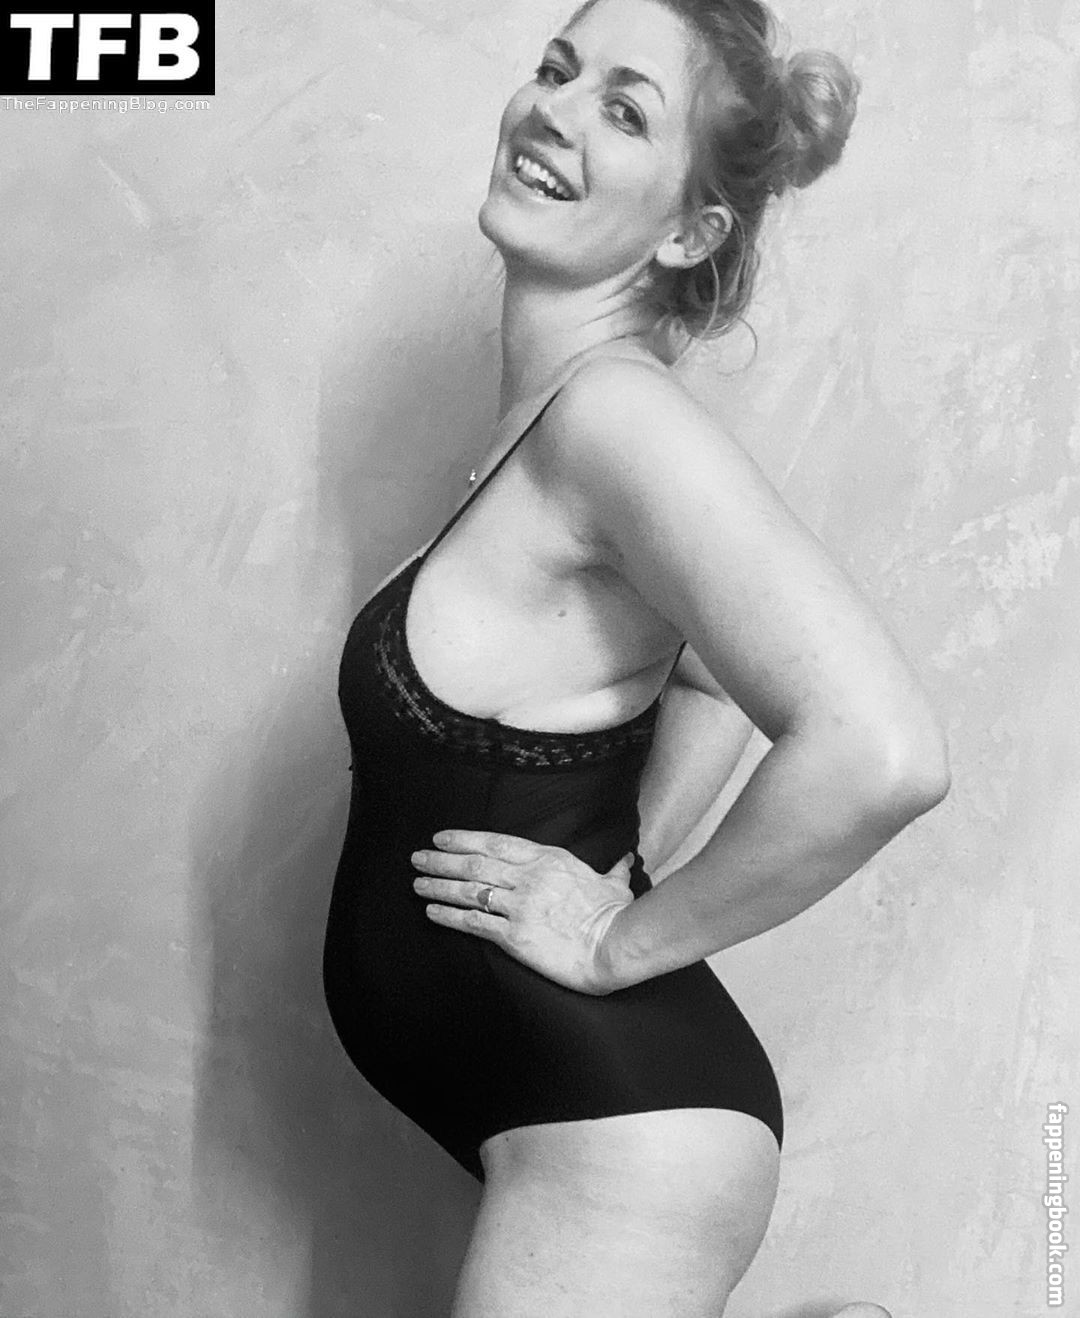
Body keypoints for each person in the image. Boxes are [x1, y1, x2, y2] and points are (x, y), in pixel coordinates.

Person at [322, 0, 950, 1313]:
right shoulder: (547, 427)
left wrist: (618, 938)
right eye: (556, 69)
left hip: (619, 1139)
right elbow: (713, 671)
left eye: (623, 108)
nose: (553, 110)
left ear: (688, 231)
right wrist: (632, 846)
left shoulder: (616, 421)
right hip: (557, 1116)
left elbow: (882, 753)